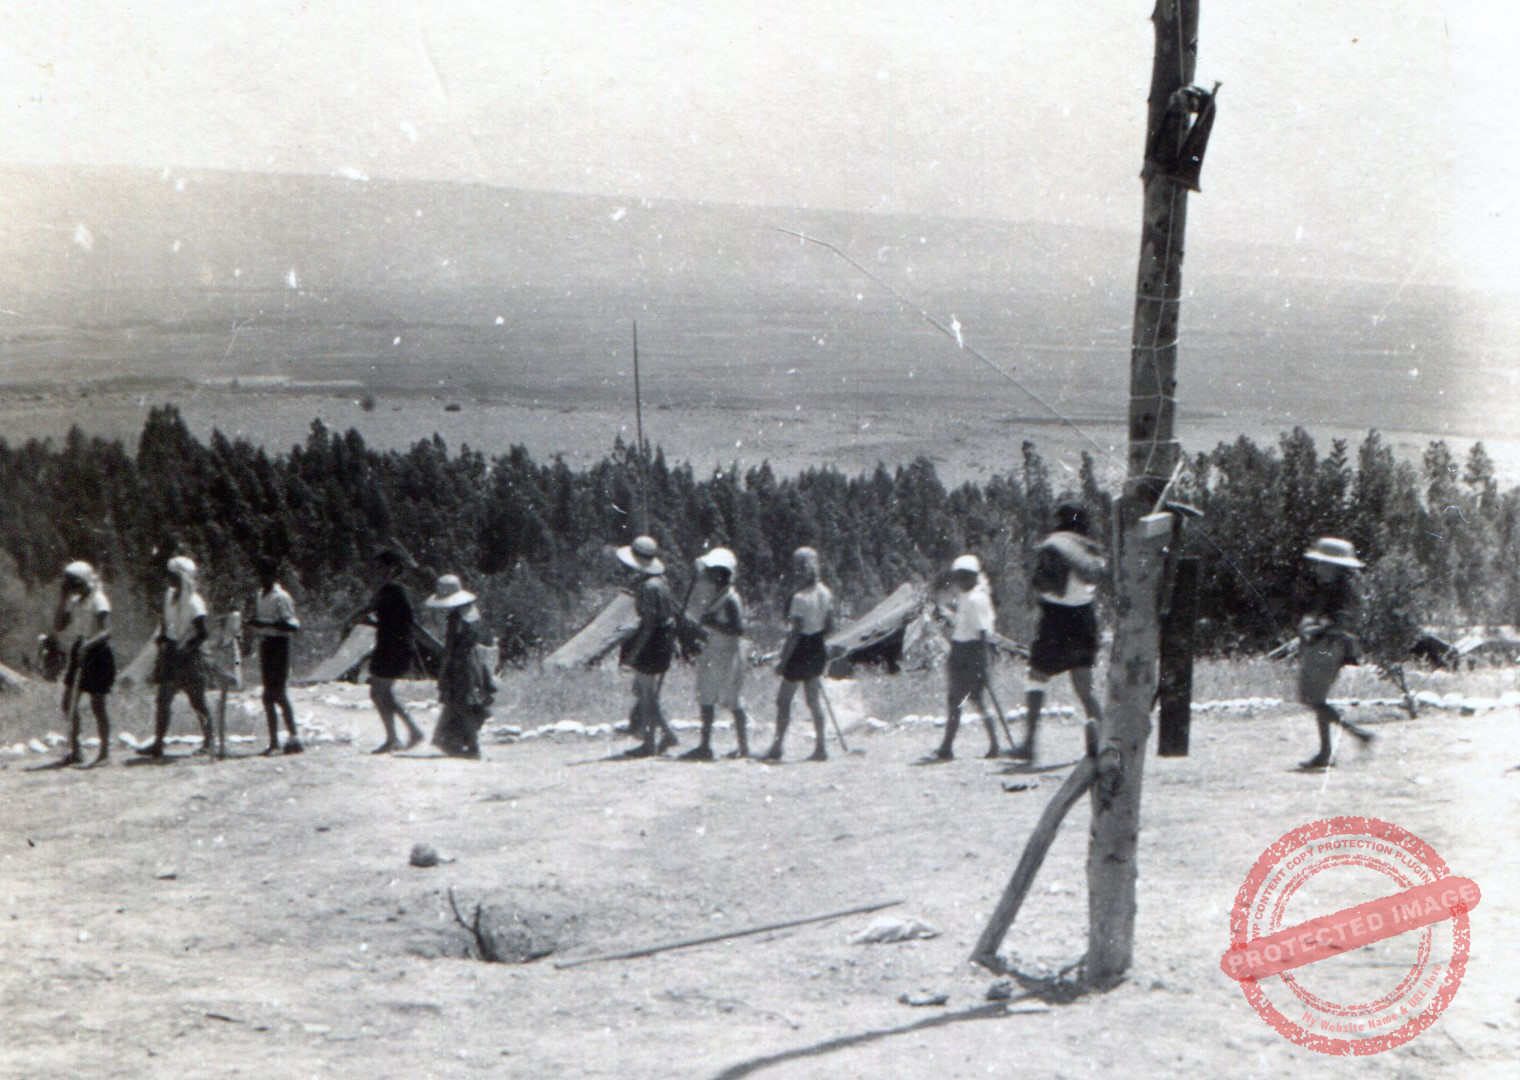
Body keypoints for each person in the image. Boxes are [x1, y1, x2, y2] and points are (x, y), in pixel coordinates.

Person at [1016, 503, 1106, 764]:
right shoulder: (1090, 550)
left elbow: (1048, 586)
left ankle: (1029, 744)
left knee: (1037, 676)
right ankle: (1106, 741)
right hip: (1085, 617)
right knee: (1084, 686)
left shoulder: (1054, 546)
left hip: (1056, 618)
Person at [1297, 537, 1375, 769]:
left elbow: (1342, 623)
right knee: (1316, 700)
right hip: (1324, 645)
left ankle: (1357, 734)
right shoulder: (1331, 588)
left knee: (1314, 700)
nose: (1319, 567)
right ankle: (1327, 751)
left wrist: (1316, 629)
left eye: (1324, 563)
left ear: (1336, 566)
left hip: (1329, 646)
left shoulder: (1342, 591)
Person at [924, 554, 1001, 762]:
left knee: (975, 699)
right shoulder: (967, 596)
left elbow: (983, 632)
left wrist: (983, 661)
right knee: (956, 700)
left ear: (973, 576)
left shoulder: (977, 598)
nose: (960, 581)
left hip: (972, 652)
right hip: (960, 650)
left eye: (964, 576)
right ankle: (947, 746)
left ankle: (994, 744)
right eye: (958, 577)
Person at [762, 546, 834, 763]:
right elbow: (830, 626)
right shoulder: (826, 593)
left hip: (801, 647)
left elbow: (794, 634)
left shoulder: (799, 598)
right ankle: (821, 747)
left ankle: (777, 746)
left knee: (783, 699)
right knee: (814, 700)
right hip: (818, 645)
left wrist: (783, 661)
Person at [139, 556, 216, 758]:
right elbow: (167, 623)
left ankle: (210, 741)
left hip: (190, 657)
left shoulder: (194, 602)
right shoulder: (169, 596)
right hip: (172, 653)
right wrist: (163, 639)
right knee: (163, 699)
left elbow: (202, 633)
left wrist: (186, 648)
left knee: (197, 700)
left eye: (173, 576)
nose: (170, 580)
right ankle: (158, 743)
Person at [680, 547, 751, 761]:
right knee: (707, 697)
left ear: (721, 574)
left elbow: (738, 629)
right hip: (716, 651)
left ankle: (743, 747)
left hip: (727, 653)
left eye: (713, 572)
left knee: (733, 698)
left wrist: (713, 624)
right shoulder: (719, 595)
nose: (709, 575)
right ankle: (706, 745)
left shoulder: (730, 599)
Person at [617, 535, 679, 758]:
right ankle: (667, 734)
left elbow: (648, 624)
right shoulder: (661, 582)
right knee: (645, 692)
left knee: (646, 694)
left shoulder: (648, 587)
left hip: (652, 641)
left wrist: (633, 654)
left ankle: (649, 742)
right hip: (662, 639)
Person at [361, 549, 425, 754]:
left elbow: (405, 621)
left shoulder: (394, 590)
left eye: (380, 567)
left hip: (394, 646)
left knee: (379, 692)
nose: (376, 571)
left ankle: (397, 737)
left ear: (391, 568)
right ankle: (407, 733)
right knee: (382, 692)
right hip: (388, 644)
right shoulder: (389, 590)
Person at [54, 561, 115, 767]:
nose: (70, 586)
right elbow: (59, 625)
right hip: (80, 650)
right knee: (68, 702)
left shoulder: (99, 599)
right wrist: (63, 599)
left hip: (97, 653)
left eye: (73, 582)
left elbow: (106, 631)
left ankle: (104, 754)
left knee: (98, 705)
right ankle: (76, 751)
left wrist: (88, 645)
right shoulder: (75, 602)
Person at [426, 574, 492, 760]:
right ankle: (461, 743)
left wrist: (444, 670)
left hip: (460, 664)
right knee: (464, 703)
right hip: (473, 660)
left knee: (461, 704)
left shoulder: (456, 618)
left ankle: (472, 746)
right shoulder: (471, 611)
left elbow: (451, 647)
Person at [249, 556, 302, 755]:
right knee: (268, 696)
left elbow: (292, 625)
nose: (263, 578)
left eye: (266, 574)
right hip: (267, 644)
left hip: (280, 645)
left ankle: (293, 737)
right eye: (260, 574)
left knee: (278, 693)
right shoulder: (260, 595)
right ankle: (274, 741)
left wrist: (267, 624)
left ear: (273, 575)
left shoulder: (281, 597)